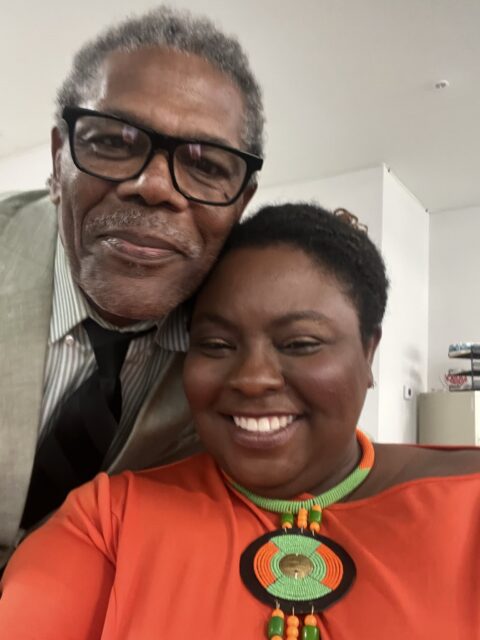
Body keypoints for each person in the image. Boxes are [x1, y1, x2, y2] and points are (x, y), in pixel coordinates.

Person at [2, 202, 479, 638]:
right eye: (216, 345)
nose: (252, 380)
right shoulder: (109, 519)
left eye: (300, 344)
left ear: (368, 351)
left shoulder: (466, 506)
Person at [0, 6, 264, 563]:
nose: (154, 186)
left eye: (206, 166)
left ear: (240, 203)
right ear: (58, 161)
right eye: (114, 143)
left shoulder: (244, 330)